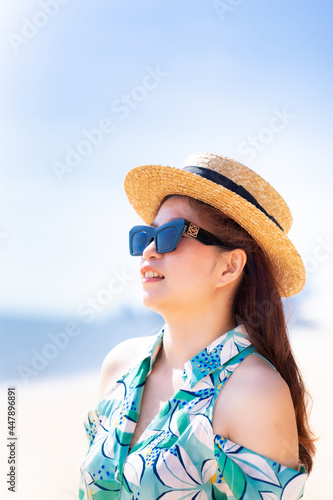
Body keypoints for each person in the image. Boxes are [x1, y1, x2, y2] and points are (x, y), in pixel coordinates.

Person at [79, 152, 315, 499]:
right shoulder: (119, 365)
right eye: (146, 235)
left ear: (229, 267)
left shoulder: (255, 394)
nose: (148, 251)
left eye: (171, 235)